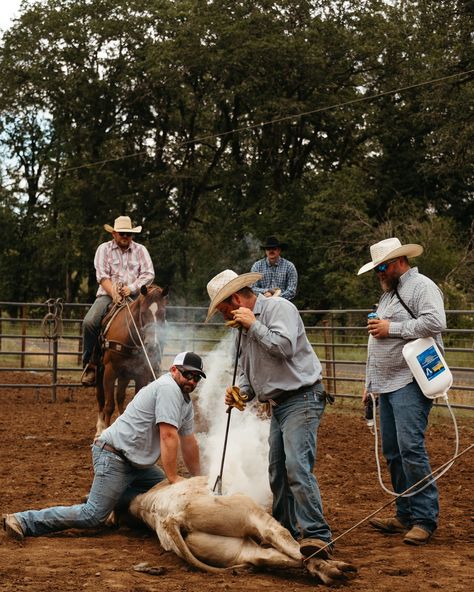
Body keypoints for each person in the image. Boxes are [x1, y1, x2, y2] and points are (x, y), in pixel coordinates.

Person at [2, 351, 206, 541]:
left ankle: (107, 497)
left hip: (137, 464)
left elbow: (188, 442)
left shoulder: (185, 401)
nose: (191, 380)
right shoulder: (168, 388)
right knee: (93, 516)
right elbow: (169, 435)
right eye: (187, 374)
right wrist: (173, 478)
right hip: (114, 457)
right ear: (173, 370)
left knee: (160, 493)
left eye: (196, 377)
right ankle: (23, 520)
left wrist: (198, 480)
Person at [205, 269, 333, 559]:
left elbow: (285, 347)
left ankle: (317, 536)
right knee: (277, 470)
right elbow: (249, 373)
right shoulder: (243, 329)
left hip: (302, 397)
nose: (225, 316)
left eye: (224, 308)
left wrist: (254, 327)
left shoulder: (279, 308)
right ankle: (283, 531)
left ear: (236, 298)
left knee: (296, 468)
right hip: (279, 404)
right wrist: (242, 393)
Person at [357, 237, 446, 546]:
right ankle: (404, 513)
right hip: (386, 384)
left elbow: (436, 322)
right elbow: (375, 342)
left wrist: (391, 328)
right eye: (376, 268)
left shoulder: (421, 286)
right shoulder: (389, 295)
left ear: (398, 263)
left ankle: (424, 518)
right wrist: (369, 384)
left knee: (410, 448)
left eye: (382, 267)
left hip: (410, 381)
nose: (379, 273)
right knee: (394, 451)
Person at [81, 215, 155, 386]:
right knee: (90, 322)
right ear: (114, 233)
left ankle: (154, 364)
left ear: (132, 235)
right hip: (108, 294)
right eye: (121, 233)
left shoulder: (140, 250)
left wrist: (132, 288)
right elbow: (102, 276)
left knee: (157, 321)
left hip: (136, 295)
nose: (125, 237)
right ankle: (90, 363)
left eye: (128, 234)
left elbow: (149, 274)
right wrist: (114, 292)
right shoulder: (103, 249)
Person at [250, 235, 298, 300]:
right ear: (265, 251)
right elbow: (252, 288)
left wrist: (275, 297)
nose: (271, 251)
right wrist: (267, 291)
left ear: (279, 250)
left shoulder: (289, 266)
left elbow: (291, 291)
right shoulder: (257, 266)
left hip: (282, 305)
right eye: (268, 249)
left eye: (274, 248)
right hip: (262, 305)